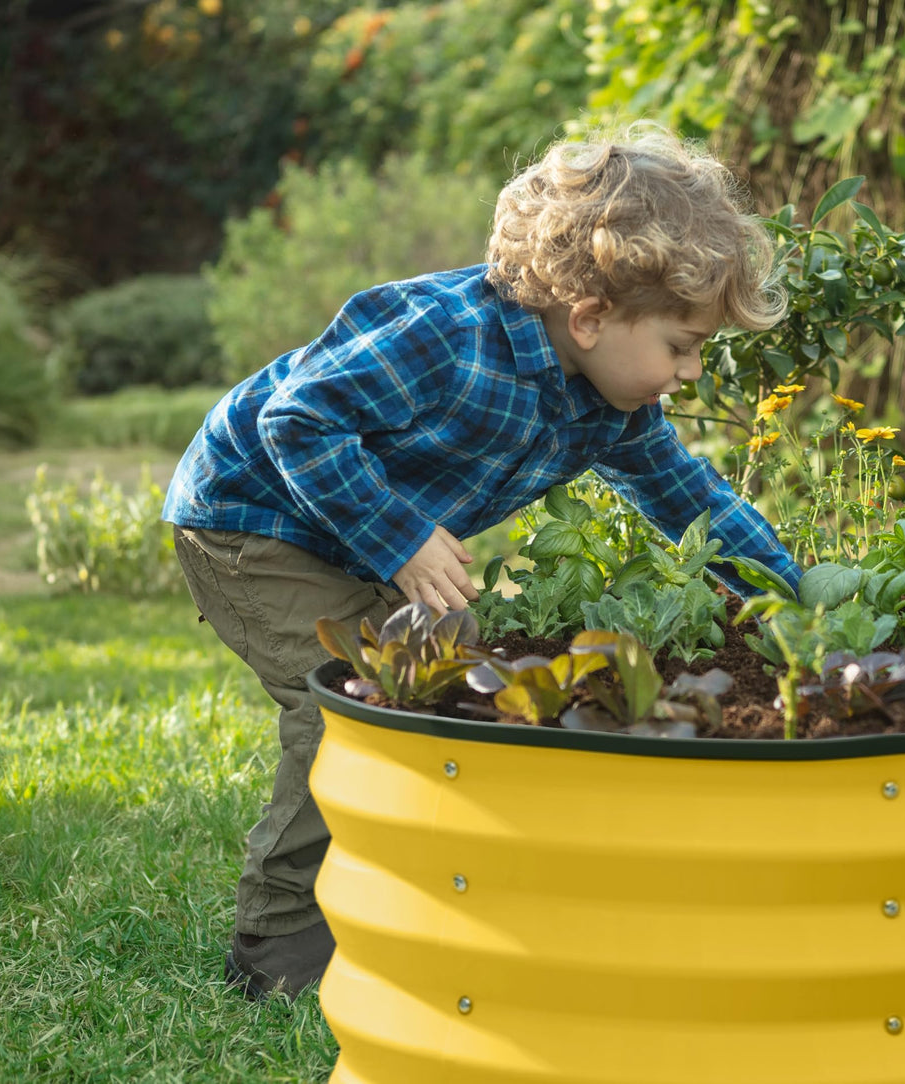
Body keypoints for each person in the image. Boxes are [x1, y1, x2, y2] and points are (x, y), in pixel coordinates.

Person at [163, 122, 802, 999]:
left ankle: (413, 898)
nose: (687, 374)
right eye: (681, 347)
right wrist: (399, 538)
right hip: (250, 517)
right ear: (590, 317)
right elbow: (297, 423)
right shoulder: (444, 335)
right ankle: (273, 961)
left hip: (348, 522)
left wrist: (792, 597)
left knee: (447, 671)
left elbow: (690, 501)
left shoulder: (609, 406)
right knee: (352, 705)